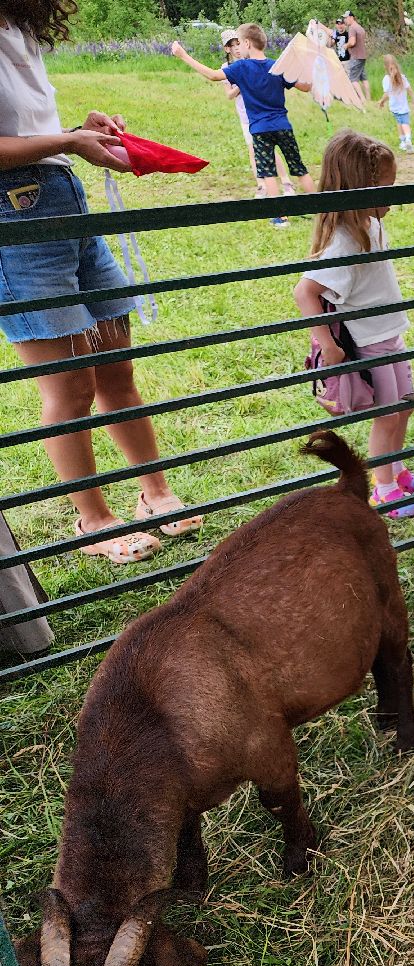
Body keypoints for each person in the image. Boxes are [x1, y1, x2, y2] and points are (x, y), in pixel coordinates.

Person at [1, 0, 201, 564]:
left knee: (116, 367)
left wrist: (74, 133)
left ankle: (154, 492)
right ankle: (93, 521)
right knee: (69, 388)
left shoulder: (16, 26)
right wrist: (67, 143)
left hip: (64, 203)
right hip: (13, 223)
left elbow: (22, 132)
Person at [293, 130, 414, 518]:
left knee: (403, 409)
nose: (391, 196)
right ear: (358, 188)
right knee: (386, 417)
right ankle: (383, 490)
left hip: (389, 334)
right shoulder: (344, 241)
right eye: (384, 188)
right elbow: (305, 292)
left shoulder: (368, 224)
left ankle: (398, 472)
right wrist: (327, 344)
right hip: (369, 343)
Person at [171, 23, 316, 228]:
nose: (238, 47)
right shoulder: (278, 65)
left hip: (260, 130)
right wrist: (308, 64)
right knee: (299, 168)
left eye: (239, 42)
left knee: (268, 172)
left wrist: (183, 55)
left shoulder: (241, 68)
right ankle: (322, 211)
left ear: (247, 43)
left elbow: (213, 75)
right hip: (283, 126)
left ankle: (281, 218)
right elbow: (306, 87)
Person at [220, 27, 295, 198]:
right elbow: (229, 94)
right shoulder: (226, 67)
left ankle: (286, 182)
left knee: (271, 149)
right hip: (245, 116)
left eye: (238, 44)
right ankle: (261, 185)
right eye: (232, 46)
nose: (237, 48)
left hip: (261, 115)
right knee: (252, 151)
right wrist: (242, 83)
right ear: (227, 49)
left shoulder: (250, 61)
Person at [381, 53, 414, 153]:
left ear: (385, 67)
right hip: (404, 106)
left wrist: (381, 102)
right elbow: (410, 90)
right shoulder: (402, 77)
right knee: (405, 123)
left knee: (400, 123)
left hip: (394, 107)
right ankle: (408, 139)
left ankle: (403, 142)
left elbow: (386, 94)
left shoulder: (386, 79)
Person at [341, 10, 369, 102]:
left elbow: (352, 42)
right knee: (363, 78)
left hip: (356, 57)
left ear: (351, 17)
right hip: (362, 56)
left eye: (346, 18)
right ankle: (368, 98)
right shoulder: (360, 28)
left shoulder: (352, 28)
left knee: (353, 79)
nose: (345, 20)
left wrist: (346, 45)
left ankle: (362, 99)